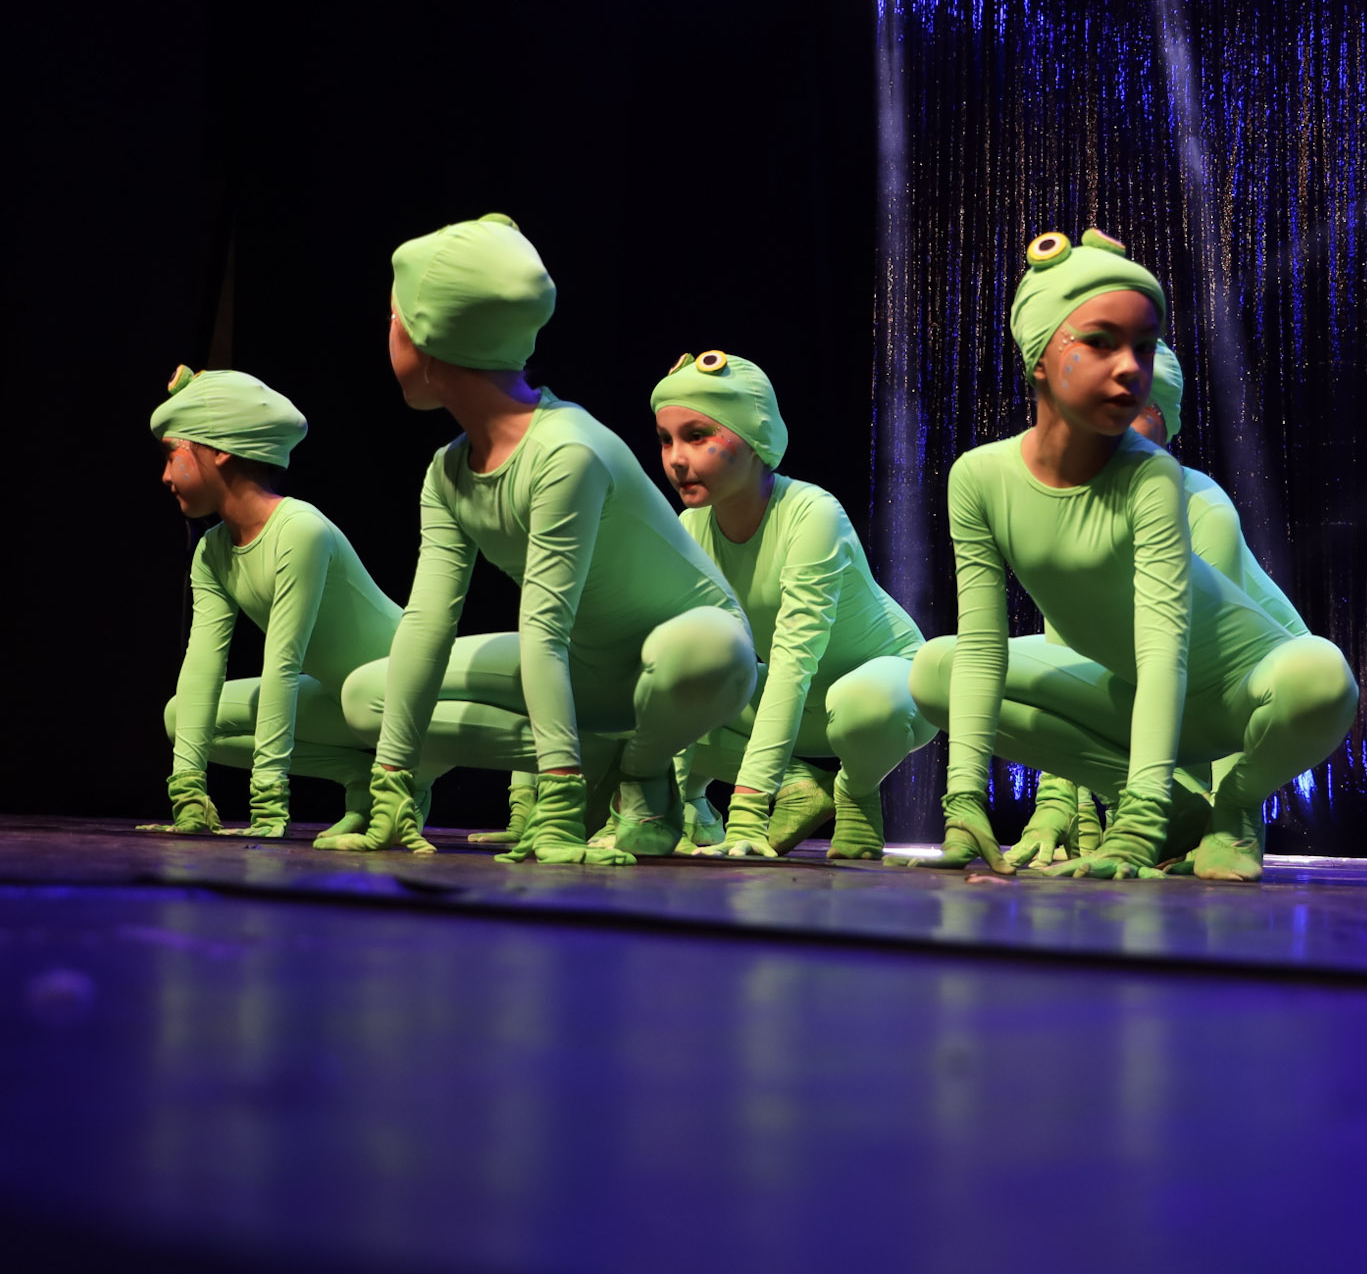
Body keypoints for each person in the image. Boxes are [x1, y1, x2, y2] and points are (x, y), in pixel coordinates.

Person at [907, 230, 1358, 881]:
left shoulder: (1158, 480)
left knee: (1322, 673)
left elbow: (1164, 647)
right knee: (933, 669)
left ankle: (1228, 808)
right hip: (1128, 693)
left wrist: (1141, 824)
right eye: (1099, 342)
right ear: (1039, 358)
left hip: (1232, 697)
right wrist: (965, 799)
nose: (1129, 368)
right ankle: (1175, 807)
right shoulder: (979, 477)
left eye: (1144, 348)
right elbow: (987, 646)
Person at [326, 213, 756, 864]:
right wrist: (394, 783)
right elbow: (427, 623)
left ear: (429, 334)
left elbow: (544, 625)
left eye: (394, 316)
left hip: (675, 665)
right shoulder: (447, 471)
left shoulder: (566, 450)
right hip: (584, 673)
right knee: (366, 696)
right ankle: (598, 755)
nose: (388, 331)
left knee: (709, 647)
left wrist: (556, 803)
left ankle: (641, 772)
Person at [1007, 341, 1314, 868]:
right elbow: (1065, 657)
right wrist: (1059, 804)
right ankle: (1162, 810)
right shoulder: (1072, 517)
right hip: (1144, 691)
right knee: (958, 672)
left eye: (1133, 409)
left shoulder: (1203, 510)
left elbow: (1227, 675)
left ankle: (1202, 814)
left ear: (1164, 423)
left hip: (1235, 700)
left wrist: (1231, 824)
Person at [623, 350, 933, 860]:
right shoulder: (691, 527)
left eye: (697, 436)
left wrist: (749, 811)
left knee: (861, 704)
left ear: (755, 438)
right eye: (665, 439)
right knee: (654, 685)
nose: (676, 458)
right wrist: (664, 803)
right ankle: (737, 798)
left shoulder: (812, 513)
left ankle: (855, 792)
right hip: (802, 707)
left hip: (892, 692)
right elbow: (680, 677)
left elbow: (794, 660)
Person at [146, 367, 419, 840]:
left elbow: (283, 662)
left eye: (173, 455)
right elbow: (203, 665)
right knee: (181, 713)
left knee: (342, 692)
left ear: (220, 451)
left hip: (407, 698)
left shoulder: (299, 529)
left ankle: (403, 783)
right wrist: (188, 794)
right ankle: (358, 777)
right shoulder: (212, 552)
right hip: (342, 702)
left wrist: (268, 807)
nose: (166, 475)